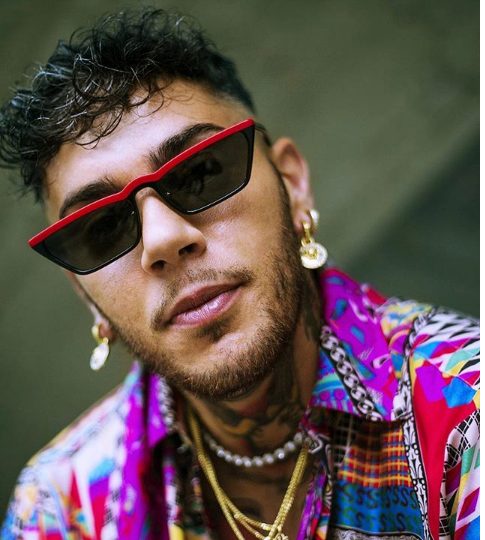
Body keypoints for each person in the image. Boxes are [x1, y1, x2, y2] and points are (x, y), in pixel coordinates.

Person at [0, 8, 479, 540]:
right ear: (85, 292)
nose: (164, 239)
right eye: (102, 227)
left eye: (201, 173)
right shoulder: (59, 509)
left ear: (292, 186)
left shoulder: (466, 410)